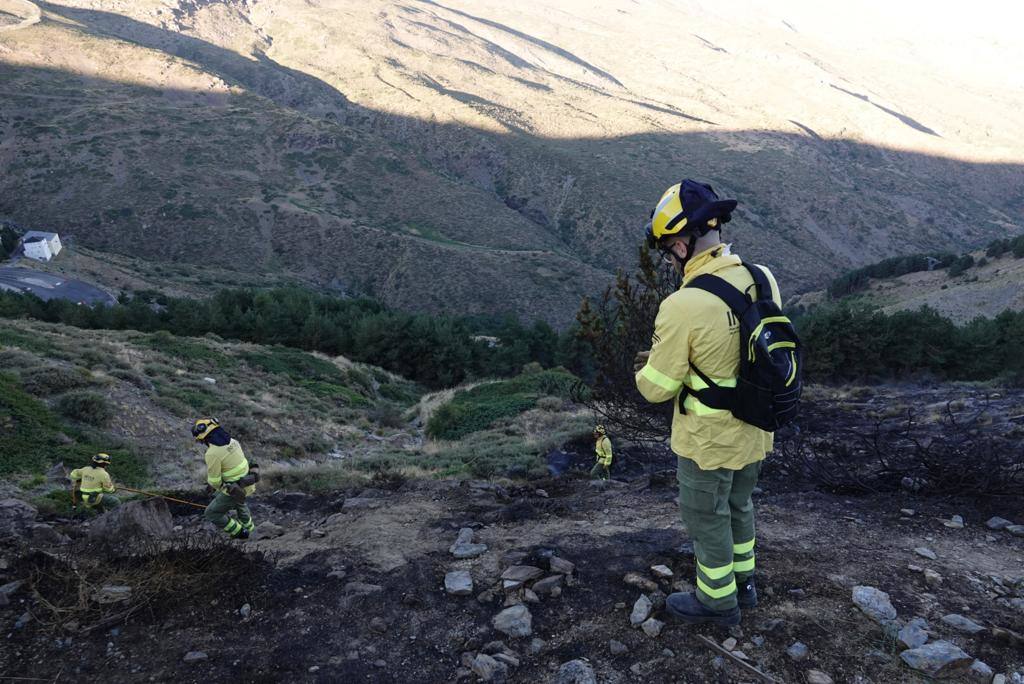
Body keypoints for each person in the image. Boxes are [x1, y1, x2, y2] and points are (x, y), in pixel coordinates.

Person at [634, 179, 781, 626]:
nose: (669, 259)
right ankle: (744, 585)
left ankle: (717, 602)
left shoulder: (683, 304)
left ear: (681, 246)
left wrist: (645, 367)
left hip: (708, 441)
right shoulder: (762, 277)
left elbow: (656, 388)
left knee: (706, 516)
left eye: (668, 251)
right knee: (739, 505)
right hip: (755, 427)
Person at [192, 418, 256, 539]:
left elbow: (214, 481)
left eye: (201, 441)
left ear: (205, 438)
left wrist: (215, 487)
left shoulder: (212, 453)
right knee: (239, 502)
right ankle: (250, 528)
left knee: (211, 513)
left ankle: (241, 533)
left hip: (234, 490)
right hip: (247, 483)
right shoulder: (233, 441)